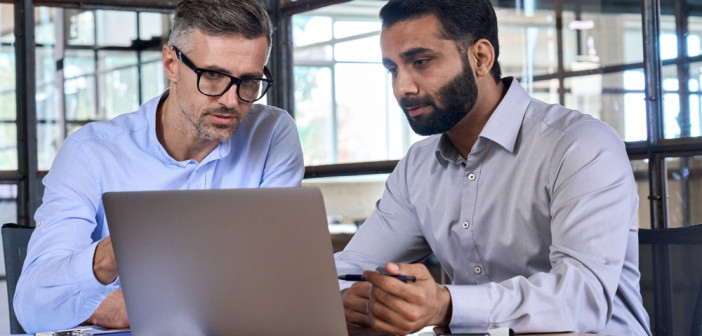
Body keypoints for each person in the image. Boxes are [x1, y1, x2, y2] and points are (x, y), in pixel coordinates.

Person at [334, 1, 652, 335]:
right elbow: (350, 266)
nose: (403, 88)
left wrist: (447, 305)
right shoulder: (418, 167)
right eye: (393, 69)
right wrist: (346, 296)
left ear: (481, 58)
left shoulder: (579, 145)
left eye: (421, 62)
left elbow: (581, 300)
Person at [14, 0, 304, 333]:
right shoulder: (90, 153)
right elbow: (31, 307)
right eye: (212, 75)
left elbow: (274, 285)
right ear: (170, 63)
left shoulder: (272, 135)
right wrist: (109, 256)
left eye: (249, 81)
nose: (231, 100)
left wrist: (143, 305)